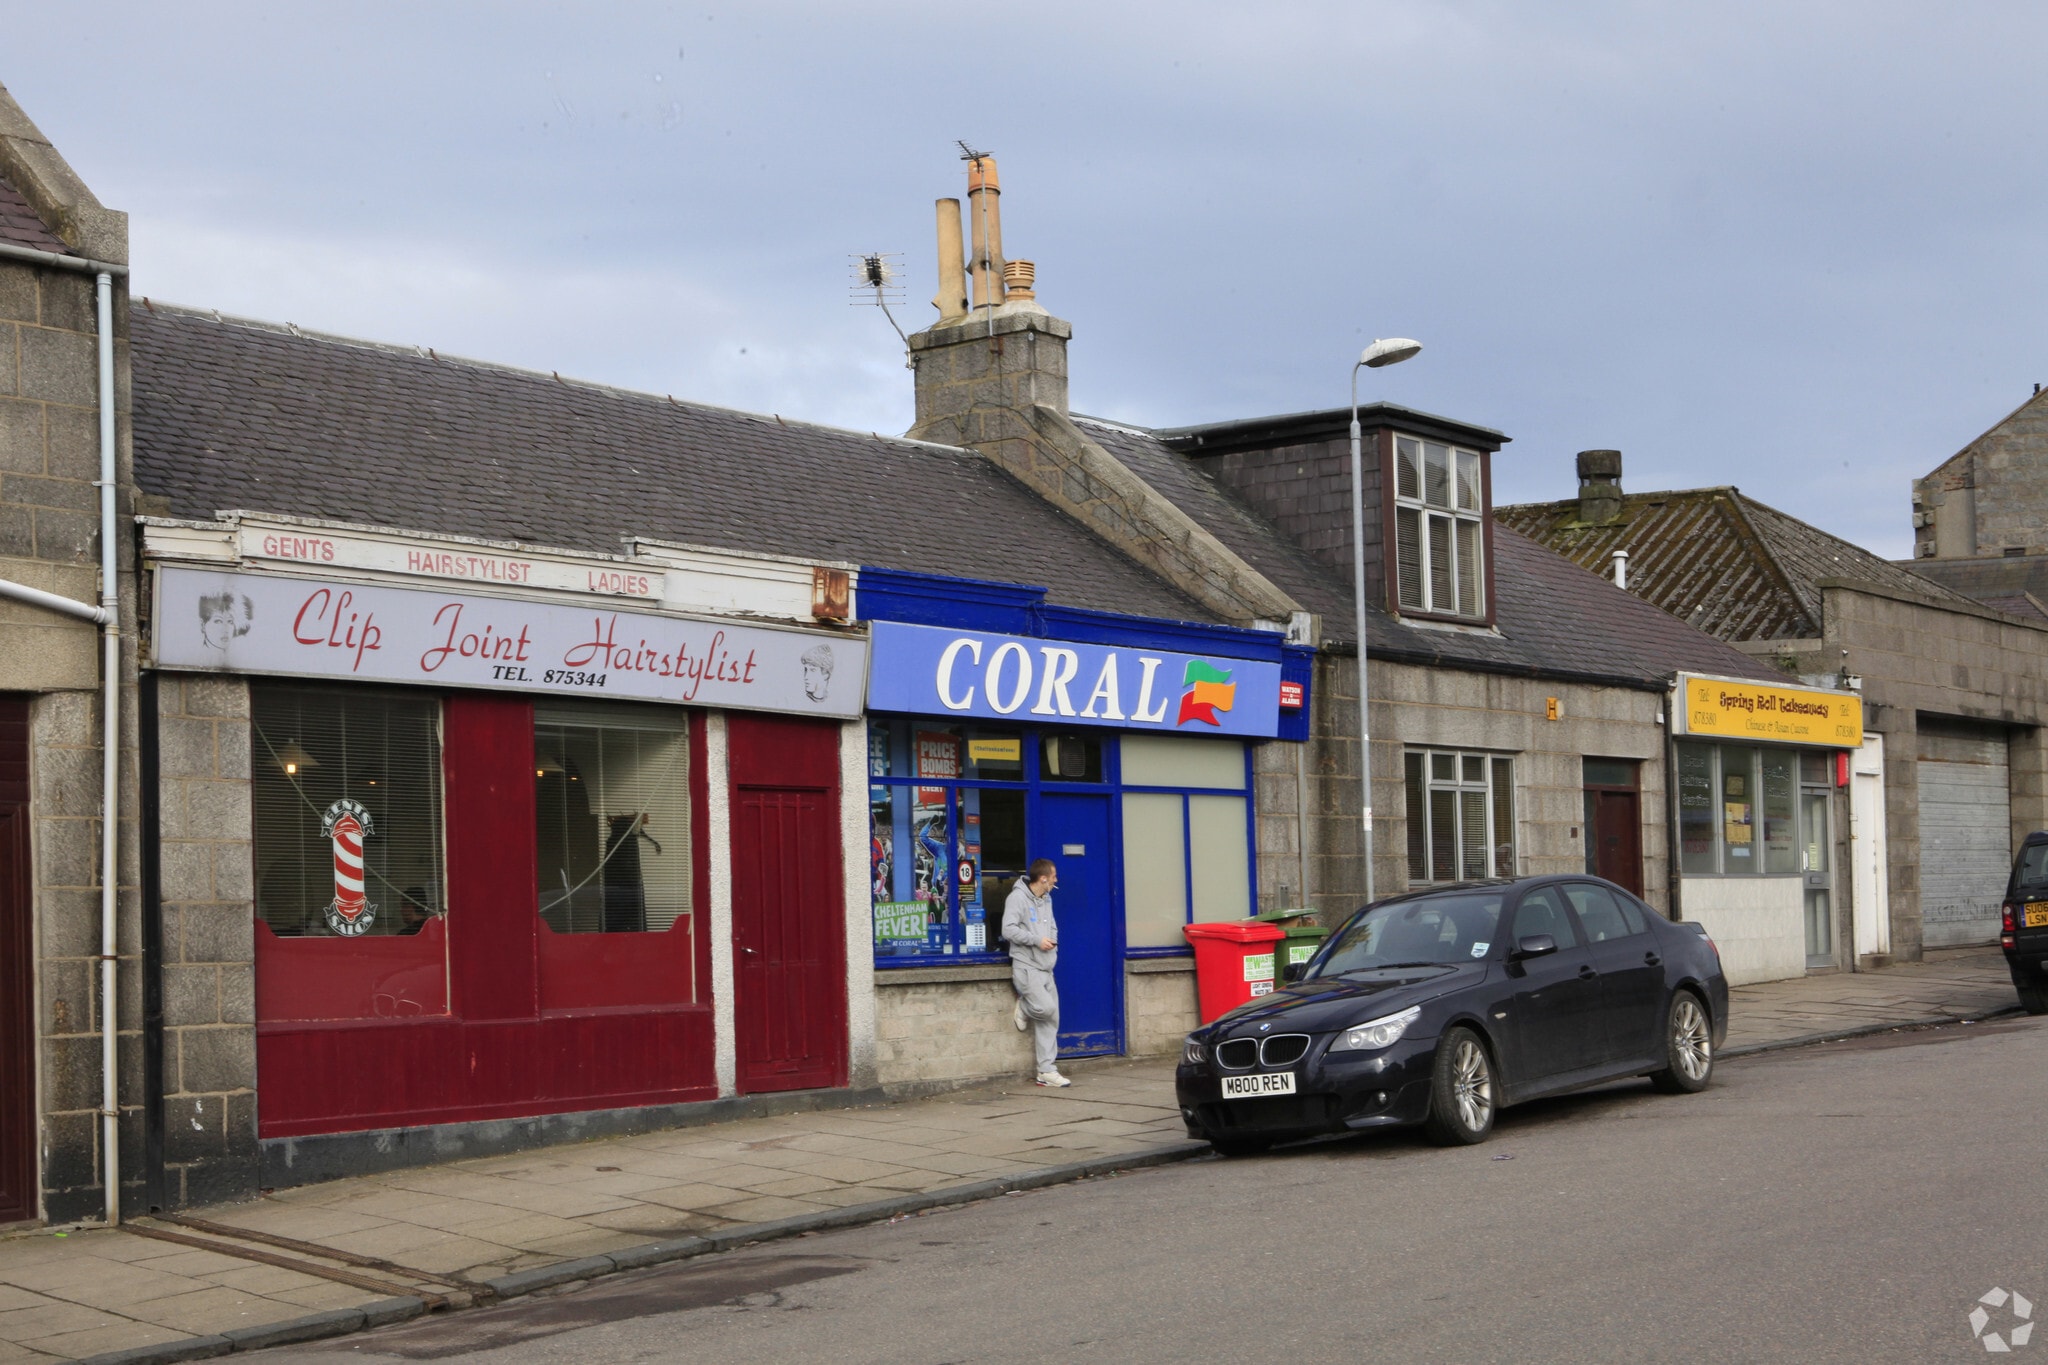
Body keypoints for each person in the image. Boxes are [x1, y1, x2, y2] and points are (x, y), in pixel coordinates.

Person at [1003, 858, 1068, 1087]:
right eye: (1054, 877)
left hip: (1046, 967)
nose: (1055, 880)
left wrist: (1053, 942)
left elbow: (1052, 925)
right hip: (1026, 966)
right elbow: (1007, 929)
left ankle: (1046, 1071)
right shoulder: (1017, 898)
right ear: (1043, 878)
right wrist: (1036, 940)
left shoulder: (1047, 899)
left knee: (1052, 1019)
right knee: (1046, 1009)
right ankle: (1025, 1007)